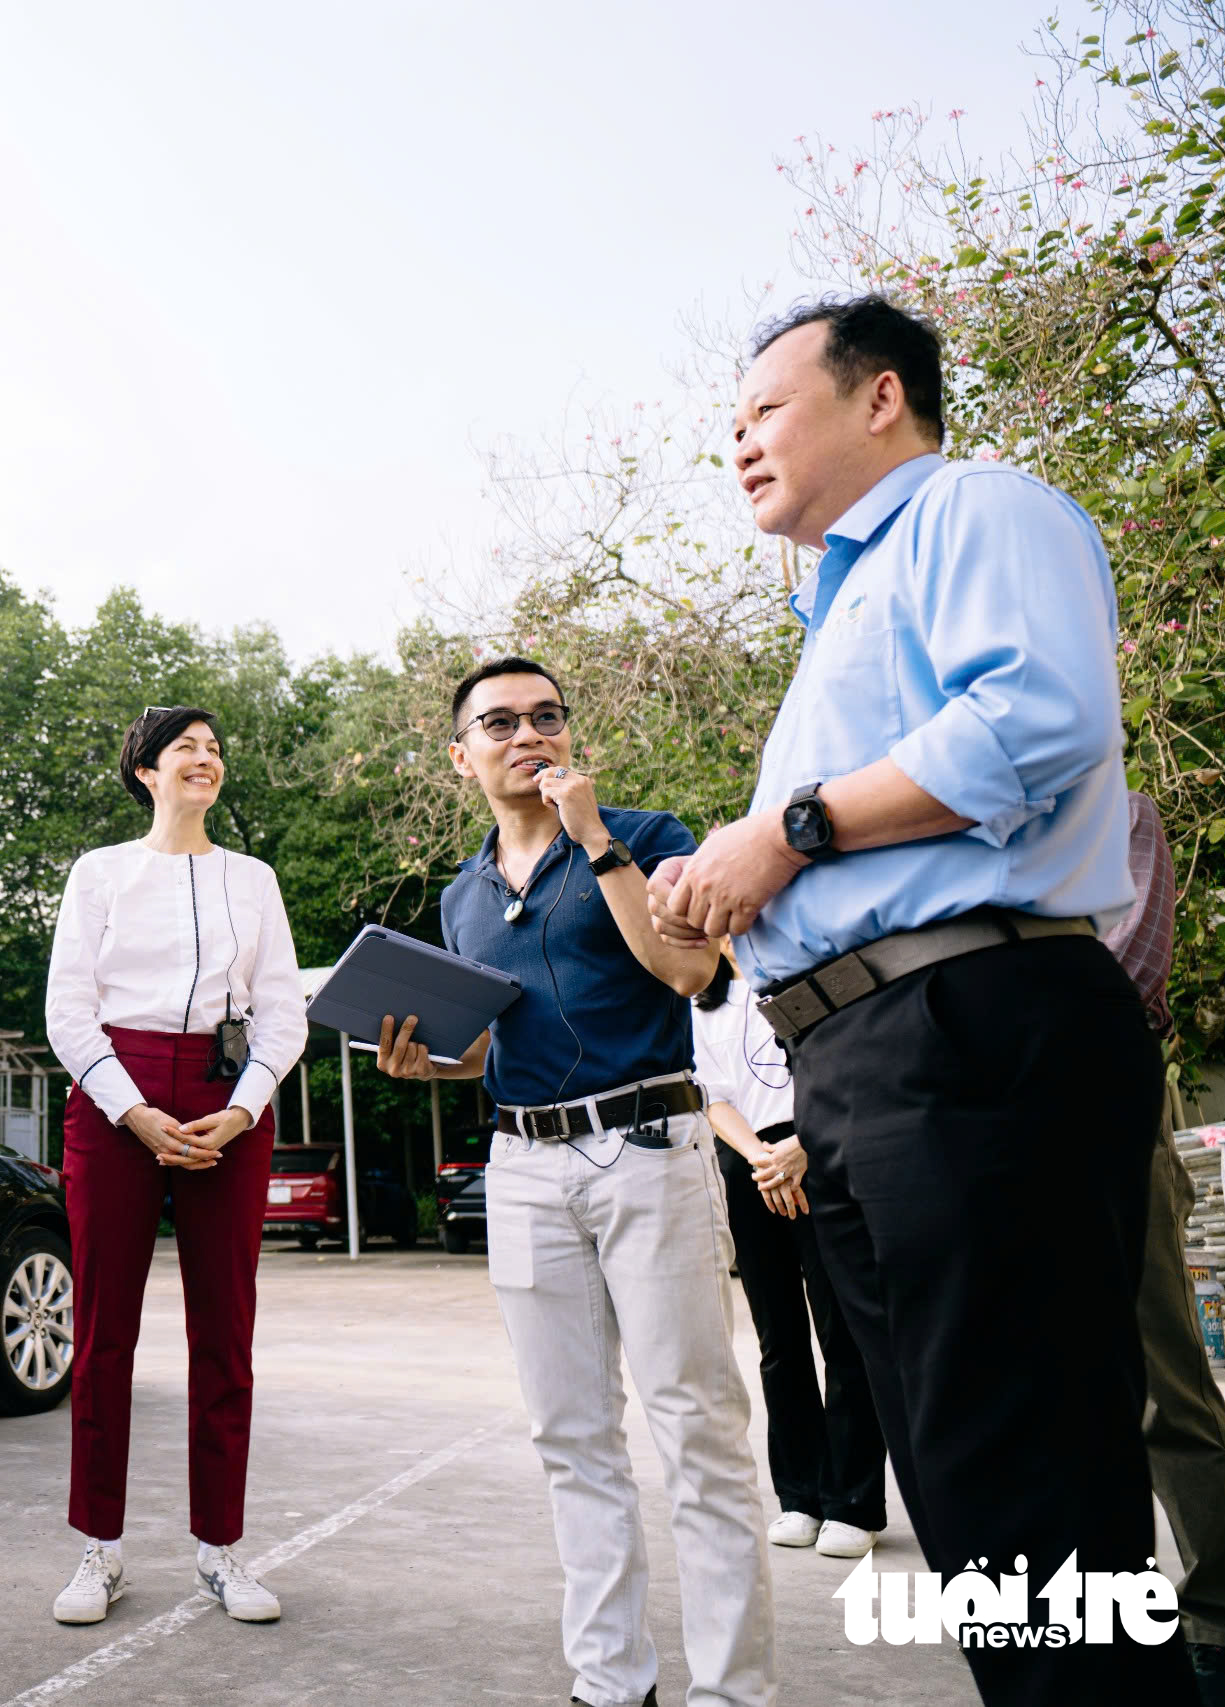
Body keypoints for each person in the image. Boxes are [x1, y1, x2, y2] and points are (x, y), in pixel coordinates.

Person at [653, 294, 1191, 1704]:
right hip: (870, 1058)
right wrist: (733, 873)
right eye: (735, 423)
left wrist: (790, 831)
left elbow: (1038, 717)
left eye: (766, 409)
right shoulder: (836, 609)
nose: (741, 443)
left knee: (1029, 1483)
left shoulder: (976, 513)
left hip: (972, 1026)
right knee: (972, 1489)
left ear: (878, 396)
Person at [378, 658, 773, 1707]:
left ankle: (732, 1692)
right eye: (500, 722)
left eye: (546, 717)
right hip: (523, 1164)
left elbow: (688, 974)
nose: (529, 736)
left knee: (694, 1427)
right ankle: (609, 1682)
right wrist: (433, 1062)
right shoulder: (463, 895)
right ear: (461, 755)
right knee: (570, 1437)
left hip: (647, 1146)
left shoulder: (645, 837)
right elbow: (491, 1044)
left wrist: (594, 840)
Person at [41, 706, 305, 1627]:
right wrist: (135, 1110)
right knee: (106, 1330)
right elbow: (68, 1010)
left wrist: (242, 1108)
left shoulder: (253, 878)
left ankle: (220, 1547)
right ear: (146, 771)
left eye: (216, 748)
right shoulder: (100, 873)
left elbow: (283, 1010)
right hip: (118, 1089)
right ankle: (98, 1547)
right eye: (186, 747)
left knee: (225, 1333)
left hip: (227, 1090)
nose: (207, 759)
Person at [1106, 792, 1225, 1707]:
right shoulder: (956, 827)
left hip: (1101, 1107)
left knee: (1163, 1386)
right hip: (988, 1129)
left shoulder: (1118, 810)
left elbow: (1127, 968)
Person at [689, 937, 887, 1562]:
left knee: (844, 1333)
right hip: (752, 1165)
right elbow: (712, 1097)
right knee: (779, 1341)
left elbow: (853, 1067)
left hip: (821, 1151)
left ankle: (853, 1504)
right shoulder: (703, 1001)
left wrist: (802, 1147)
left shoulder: (816, 979)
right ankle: (800, 1497)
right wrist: (761, 1160)